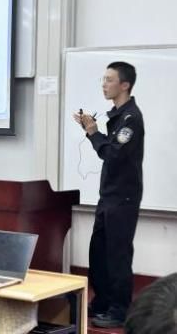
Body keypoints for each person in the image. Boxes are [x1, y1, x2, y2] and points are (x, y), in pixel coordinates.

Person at [73, 61, 144, 328]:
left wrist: (93, 133)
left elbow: (112, 154)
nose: (104, 84)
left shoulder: (130, 119)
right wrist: (91, 130)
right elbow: (110, 148)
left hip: (123, 199)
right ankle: (102, 301)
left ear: (124, 85)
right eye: (103, 79)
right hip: (109, 197)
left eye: (109, 80)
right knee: (99, 253)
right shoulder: (117, 116)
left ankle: (119, 310)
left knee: (117, 255)